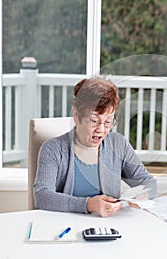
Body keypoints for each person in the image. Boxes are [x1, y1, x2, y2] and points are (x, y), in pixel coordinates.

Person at [33, 77, 157, 217]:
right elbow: (42, 196)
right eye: (94, 121)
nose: (102, 129)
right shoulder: (52, 149)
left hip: (108, 228)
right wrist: (88, 204)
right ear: (76, 115)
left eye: (108, 121)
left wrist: (142, 195)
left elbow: (148, 182)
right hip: (67, 229)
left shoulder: (118, 144)